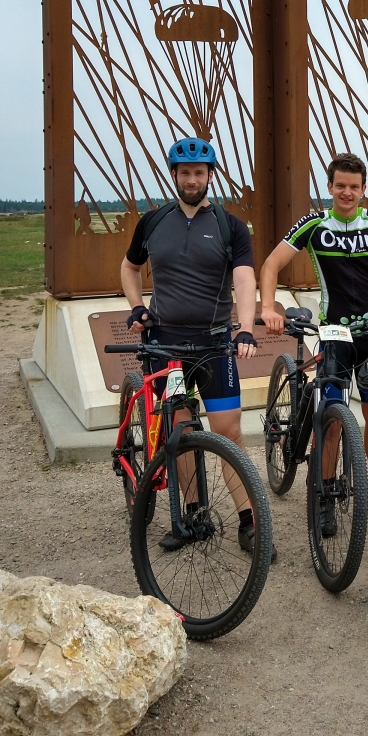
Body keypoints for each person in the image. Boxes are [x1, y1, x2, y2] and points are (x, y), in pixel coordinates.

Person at [120, 137, 270, 557]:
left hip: (214, 343)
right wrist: (136, 306)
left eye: (198, 173)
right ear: (174, 175)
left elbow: (244, 278)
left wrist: (244, 328)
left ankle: (249, 522)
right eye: (184, 173)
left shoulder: (229, 226)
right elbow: (129, 267)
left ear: (209, 175)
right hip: (166, 345)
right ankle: (193, 515)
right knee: (180, 428)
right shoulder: (153, 222)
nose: (191, 180)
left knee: (228, 430)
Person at [260, 153, 368, 520]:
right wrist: (269, 307)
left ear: (363, 190)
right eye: (340, 186)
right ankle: (325, 496)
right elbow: (271, 264)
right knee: (331, 418)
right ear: (329, 187)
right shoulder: (313, 224)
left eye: (354, 186)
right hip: (334, 335)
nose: (347, 192)